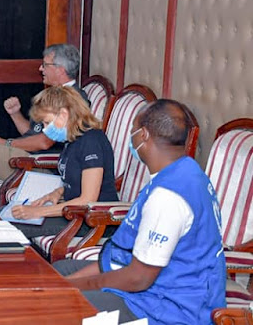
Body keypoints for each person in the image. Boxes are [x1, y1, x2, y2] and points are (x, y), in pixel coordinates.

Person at [54, 99, 226, 325]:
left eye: (132, 130)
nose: (130, 137)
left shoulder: (168, 197)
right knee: (58, 271)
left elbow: (138, 279)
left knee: (61, 306)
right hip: (155, 282)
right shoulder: (187, 171)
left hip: (168, 307)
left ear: (143, 135)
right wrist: (66, 283)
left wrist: (73, 288)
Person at [0, 44, 89, 188]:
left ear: (60, 70)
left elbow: (44, 143)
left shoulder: (73, 99)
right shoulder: (56, 95)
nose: (40, 69)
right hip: (26, 157)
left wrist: (5, 143)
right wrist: (15, 114)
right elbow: (32, 133)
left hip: (40, 165)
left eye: (45, 65)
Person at [5, 85, 117, 238]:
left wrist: (37, 212)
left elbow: (88, 199)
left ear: (63, 114)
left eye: (46, 122)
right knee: (1, 215)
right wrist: (57, 192)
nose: (44, 129)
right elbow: (78, 178)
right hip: (73, 214)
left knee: (9, 227)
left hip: (92, 221)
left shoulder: (92, 142)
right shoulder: (71, 139)